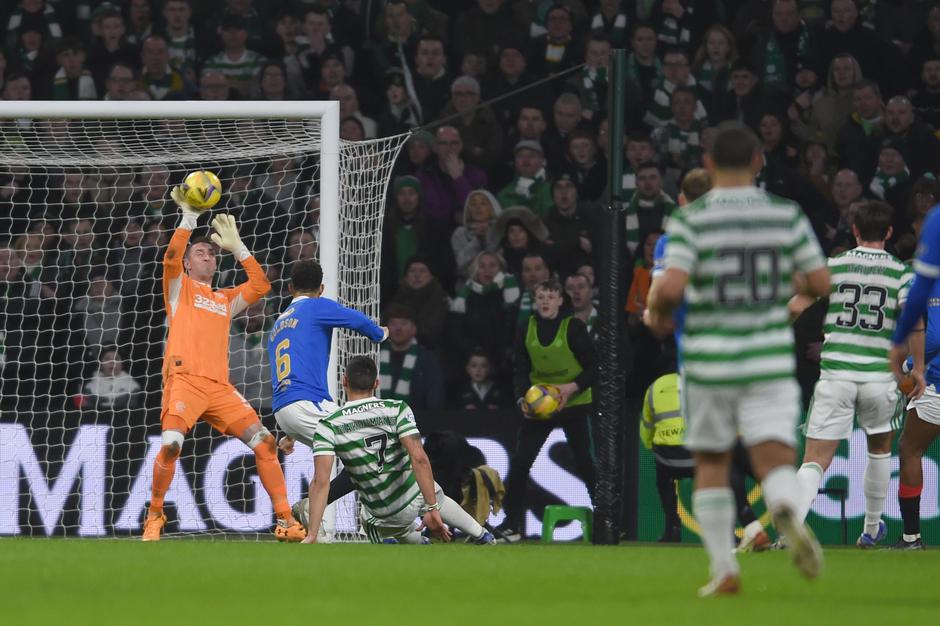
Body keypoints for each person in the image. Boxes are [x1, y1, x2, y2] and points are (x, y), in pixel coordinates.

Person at [647, 121, 829, 595]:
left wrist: (659, 315)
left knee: (711, 462)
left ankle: (725, 569)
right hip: (766, 357)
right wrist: (783, 296)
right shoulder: (785, 215)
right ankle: (785, 506)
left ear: (708, 164)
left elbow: (671, 288)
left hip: (708, 359)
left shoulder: (690, 220)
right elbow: (819, 282)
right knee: (773, 460)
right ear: (758, 162)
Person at [143, 187, 304, 542]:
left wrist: (238, 248)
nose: (208, 256)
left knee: (265, 444)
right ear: (188, 263)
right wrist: (189, 218)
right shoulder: (178, 288)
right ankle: (155, 514)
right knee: (171, 444)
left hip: (219, 388)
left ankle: (286, 520)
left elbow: (261, 286)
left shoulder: (224, 299)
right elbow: (169, 258)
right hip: (184, 380)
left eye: (213, 254)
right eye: (200, 252)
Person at [791, 200, 914, 549]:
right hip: (880, 377)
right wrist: (913, 366)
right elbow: (911, 322)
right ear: (889, 232)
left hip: (836, 375)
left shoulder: (835, 266)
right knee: (879, 450)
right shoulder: (901, 272)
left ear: (855, 230)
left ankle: (793, 524)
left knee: (815, 459)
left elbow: (796, 306)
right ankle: (872, 528)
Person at [300, 355, 495, 544]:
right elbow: (419, 458)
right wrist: (432, 508)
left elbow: (320, 481)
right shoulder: (397, 409)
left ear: (344, 381)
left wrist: (312, 534)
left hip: (383, 512)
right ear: (376, 383)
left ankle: (418, 540)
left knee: (373, 521)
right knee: (437, 495)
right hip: (415, 495)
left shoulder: (329, 425)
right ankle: (482, 534)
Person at [268, 258, 388, 523]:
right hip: (307, 404)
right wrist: (379, 334)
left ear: (289, 288)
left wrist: (291, 432)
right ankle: (381, 522)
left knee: (360, 457)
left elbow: (288, 376)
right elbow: (355, 319)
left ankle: (320, 512)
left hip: (283, 409)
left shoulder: (278, 324)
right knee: (377, 447)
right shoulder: (315, 307)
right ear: (321, 289)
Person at [496, 278, 596, 542]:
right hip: (541, 405)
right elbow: (521, 368)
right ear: (535, 300)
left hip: (574, 402)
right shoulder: (526, 327)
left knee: (585, 461)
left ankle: (607, 519)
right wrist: (521, 400)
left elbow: (596, 367)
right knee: (520, 462)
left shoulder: (573, 327)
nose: (546, 301)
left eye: (551, 296)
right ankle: (512, 524)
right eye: (541, 296)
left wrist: (570, 388)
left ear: (561, 301)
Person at [889, 195, 940, 550]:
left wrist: (909, 363)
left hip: (935, 382)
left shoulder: (928, 281)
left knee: (910, 449)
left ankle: (911, 537)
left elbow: (931, 333)